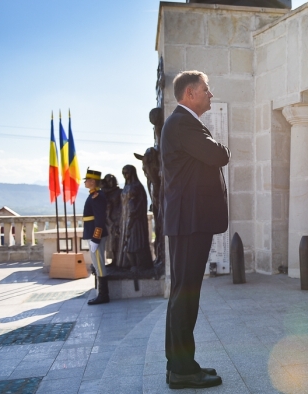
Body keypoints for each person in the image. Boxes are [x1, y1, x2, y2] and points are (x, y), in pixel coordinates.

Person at [161, 70, 230, 389]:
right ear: (190, 94)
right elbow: (218, 155)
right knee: (185, 295)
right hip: (189, 222)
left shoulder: (182, 123)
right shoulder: (182, 123)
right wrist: (220, 148)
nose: (210, 94)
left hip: (188, 221)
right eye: (206, 89)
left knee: (183, 294)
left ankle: (180, 364)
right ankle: (182, 369)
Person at [118, 165, 153, 273]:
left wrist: (133, 215)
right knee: (126, 245)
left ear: (132, 173)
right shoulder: (126, 186)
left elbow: (141, 203)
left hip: (135, 220)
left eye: (127, 173)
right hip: (125, 219)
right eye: (123, 173)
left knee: (135, 243)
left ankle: (139, 264)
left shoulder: (137, 186)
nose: (125, 175)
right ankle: (128, 264)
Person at [82, 169, 109, 305]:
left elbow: (100, 219)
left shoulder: (97, 196)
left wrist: (95, 238)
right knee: (97, 264)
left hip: (95, 235)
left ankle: (103, 295)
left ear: (92, 182)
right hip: (92, 234)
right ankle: (101, 293)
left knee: (99, 265)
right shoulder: (93, 195)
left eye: (86, 180)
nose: (85, 182)